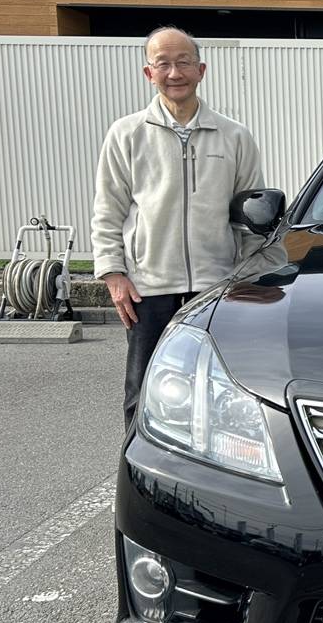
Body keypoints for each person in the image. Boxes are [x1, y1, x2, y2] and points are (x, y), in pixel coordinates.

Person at [92, 26, 267, 431]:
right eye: (163, 64)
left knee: (220, 390)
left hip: (215, 286)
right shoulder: (126, 134)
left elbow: (252, 215)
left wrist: (252, 276)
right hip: (147, 287)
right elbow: (108, 209)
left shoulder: (235, 136)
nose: (175, 73)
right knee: (145, 391)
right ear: (148, 73)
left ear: (201, 70)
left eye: (184, 62)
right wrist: (114, 273)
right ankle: (140, 474)